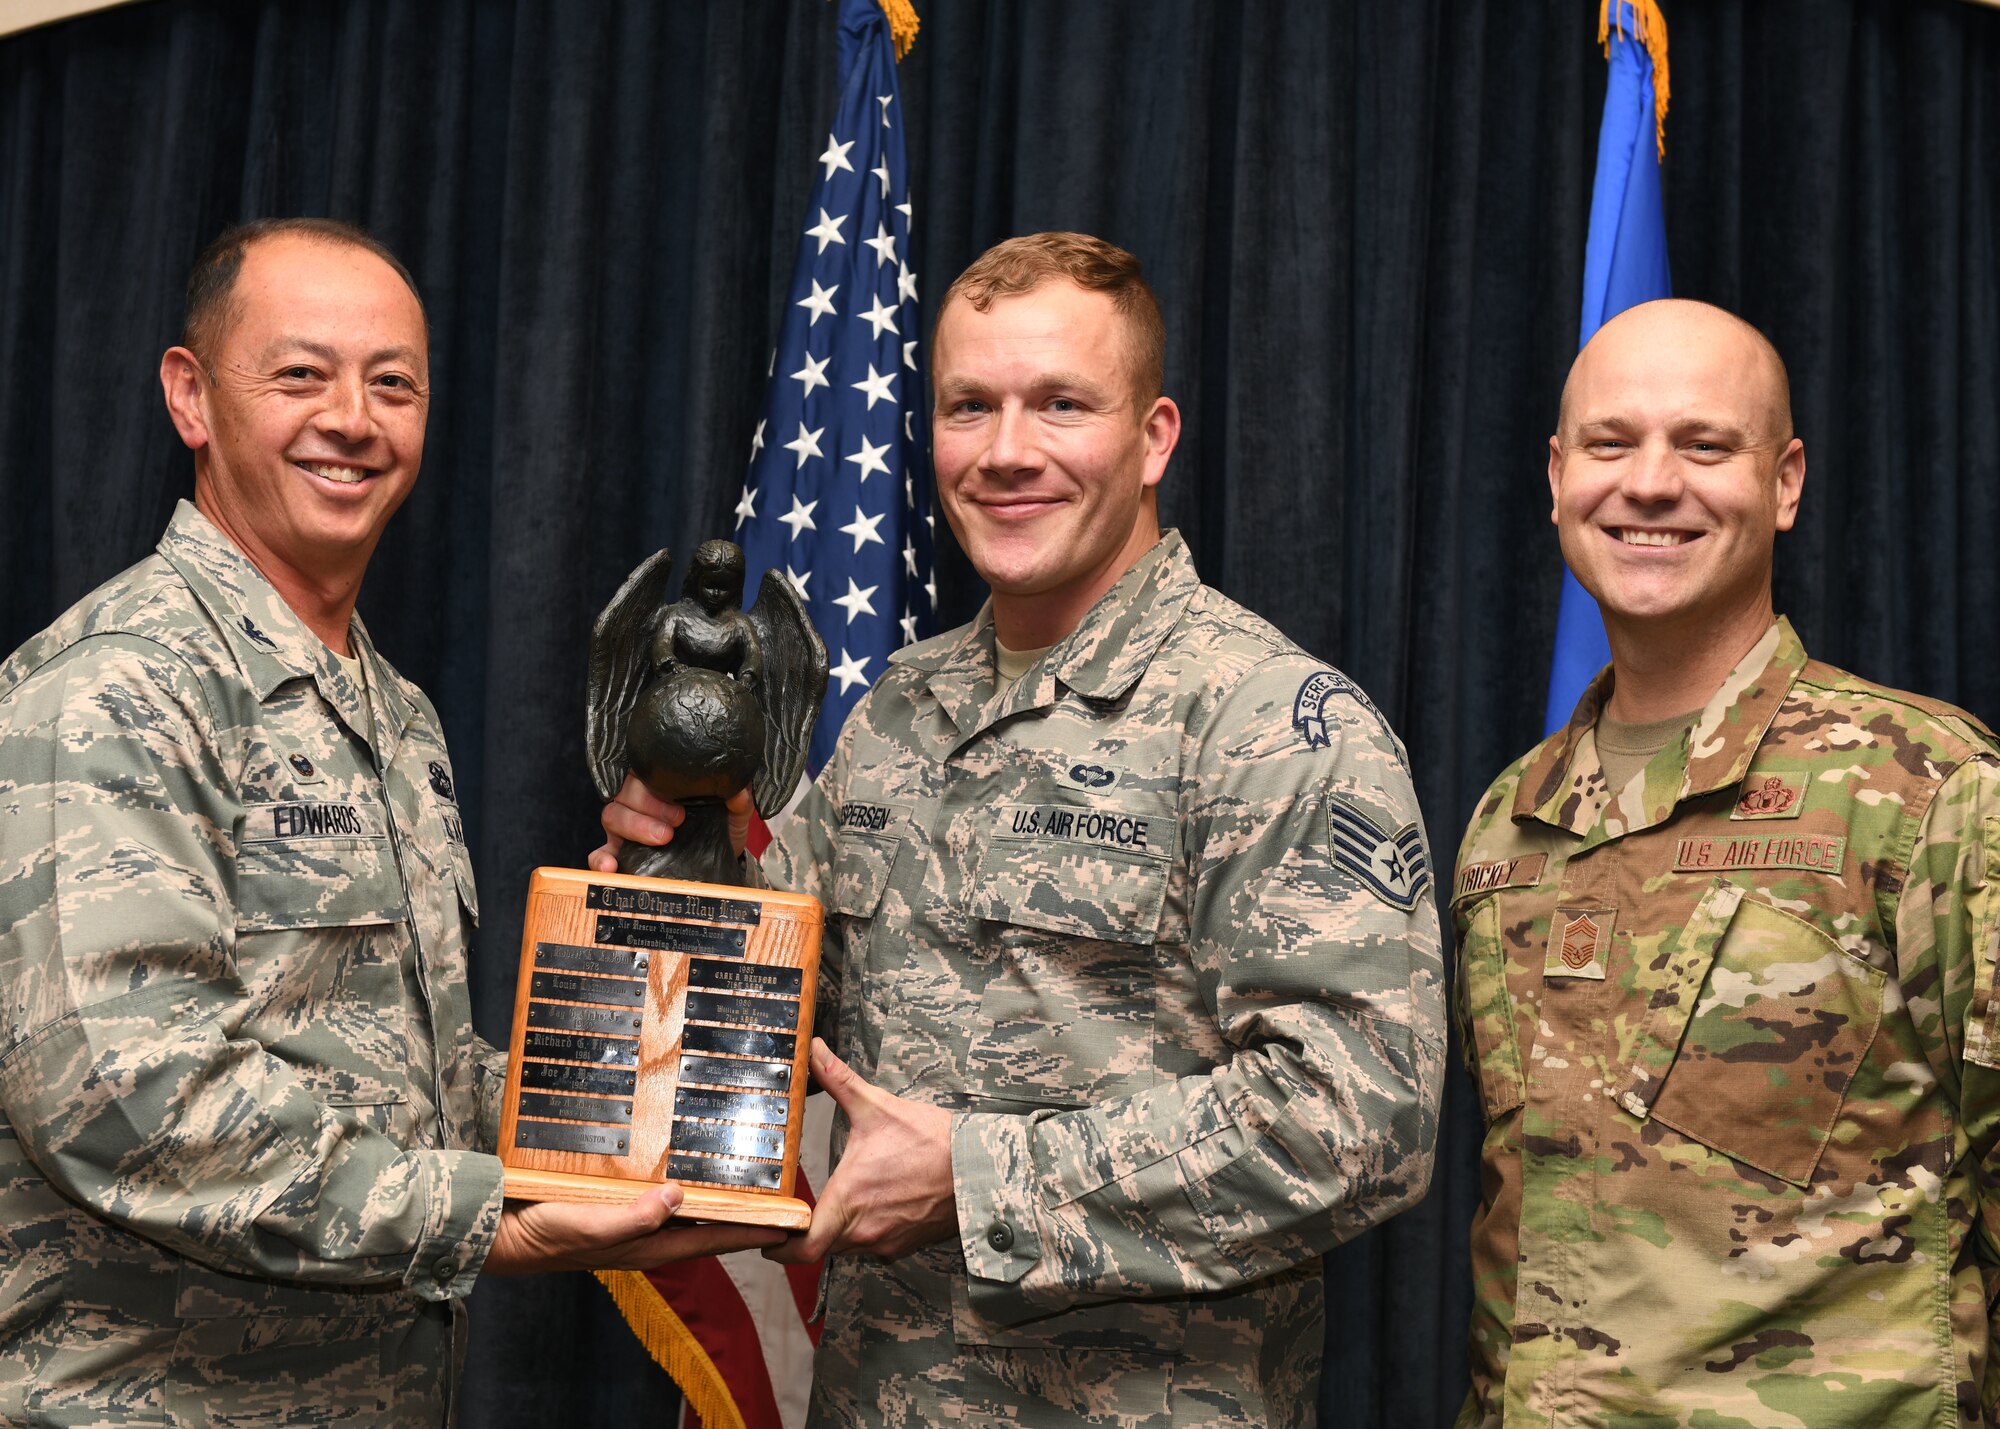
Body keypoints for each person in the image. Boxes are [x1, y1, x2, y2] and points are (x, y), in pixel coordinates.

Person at [598, 231, 1445, 1425]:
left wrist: (978, 1176)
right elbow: (800, 1001)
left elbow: (1361, 1119)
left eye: (1059, 405)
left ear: (1153, 437)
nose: (1006, 453)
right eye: (967, 407)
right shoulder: (902, 702)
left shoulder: (1270, 723)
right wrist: (685, 865)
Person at [0, 218, 777, 1427]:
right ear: (190, 398)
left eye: (393, 383)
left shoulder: (392, 708)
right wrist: (492, 1223)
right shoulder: (115, 690)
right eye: (300, 374)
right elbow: (125, 1097)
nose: (354, 419)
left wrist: (633, 1120)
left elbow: (414, 1080)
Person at [1450, 298, 2000, 1426]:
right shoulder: (1507, 823)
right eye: (1611, 443)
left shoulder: (1924, 787)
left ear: (1784, 481)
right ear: (1556, 478)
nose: (1649, 483)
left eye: (1703, 444)